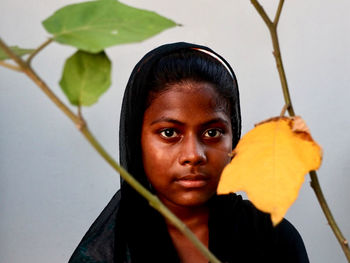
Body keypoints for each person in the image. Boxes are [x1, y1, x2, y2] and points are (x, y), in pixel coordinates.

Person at [69, 42, 309, 263]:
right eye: (169, 133)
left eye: (213, 133)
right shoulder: (109, 252)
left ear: (233, 138)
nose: (194, 155)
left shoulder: (274, 239)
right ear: (136, 140)